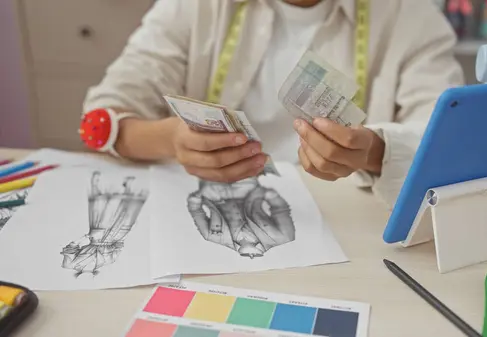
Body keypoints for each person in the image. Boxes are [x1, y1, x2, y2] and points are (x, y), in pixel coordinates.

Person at [81, 0, 464, 208]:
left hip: (347, 228)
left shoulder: (412, 18)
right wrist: (170, 139)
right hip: (209, 210)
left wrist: (374, 152)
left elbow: (447, 145)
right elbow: (104, 116)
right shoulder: (195, 7)